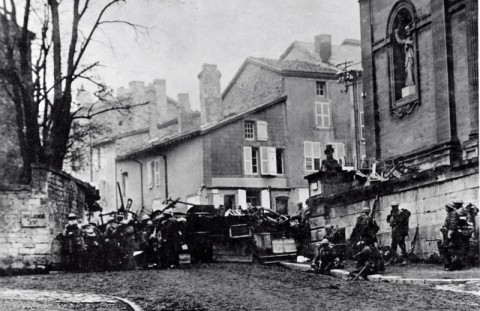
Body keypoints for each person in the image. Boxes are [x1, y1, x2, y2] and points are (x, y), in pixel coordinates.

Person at [386, 201, 411, 266]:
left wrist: (395, 219)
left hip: (400, 232)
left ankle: (405, 259)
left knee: (402, 245)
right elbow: (389, 221)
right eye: (392, 207)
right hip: (394, 232)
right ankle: (392, 259)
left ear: (397, 207)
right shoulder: (392, 213)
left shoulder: (401, 213)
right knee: (393, 246)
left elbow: (401, 221)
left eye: (394, 207)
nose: (393, 208)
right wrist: (390, 218)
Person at [441, 201, 462, 271]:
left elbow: (453, 226)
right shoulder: (449, 214)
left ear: (450, 208)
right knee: (447, 249)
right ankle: (449, 265)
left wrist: (449, 235)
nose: (445, 209)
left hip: (453, 235)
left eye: (446, 207)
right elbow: (445, 224)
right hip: (449, 234)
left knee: (452, 250)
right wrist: (443, 227)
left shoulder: (453, 214)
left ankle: (453, 266)